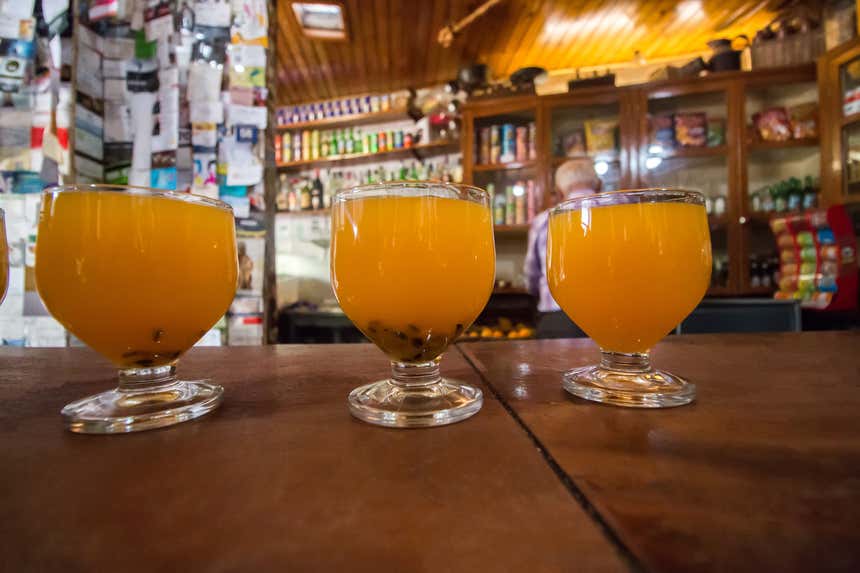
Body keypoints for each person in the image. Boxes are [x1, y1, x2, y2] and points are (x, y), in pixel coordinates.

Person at [524, 158, 601, 339]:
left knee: (555, 367)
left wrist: (536, 291)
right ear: (599, 185)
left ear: (559, 192)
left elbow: (531, 276)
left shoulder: (544, 221)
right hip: (611, 316)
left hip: (557, 318)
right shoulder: (619, 213)